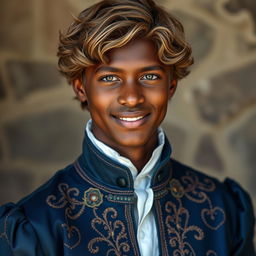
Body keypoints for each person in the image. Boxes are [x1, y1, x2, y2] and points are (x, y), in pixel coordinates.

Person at [0, 0, 255, 255]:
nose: (131, 97)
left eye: (149, 77)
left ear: (171, 86)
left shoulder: (224, 210)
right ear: (81, 88)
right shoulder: (35, 226)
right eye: (109, 78)